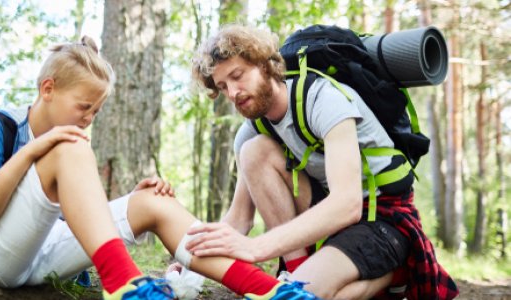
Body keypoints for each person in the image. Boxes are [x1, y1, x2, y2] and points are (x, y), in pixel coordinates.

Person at [0, 36, 320, 300]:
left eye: (96, 111)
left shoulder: (66, 143)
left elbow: (61, 223)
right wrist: (35, 151)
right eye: (84, 107)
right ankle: (123, 286)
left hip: (40, 255)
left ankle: (267, 289)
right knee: (68, 149)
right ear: (47, 89)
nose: (88, 119)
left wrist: (129, 204)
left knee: (151, 199)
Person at [186, 24, 459, 299]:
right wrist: (192, 265)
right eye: (223, 86)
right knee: (253, 151)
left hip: (382, 219)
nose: (232, 92)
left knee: (305, 296)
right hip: (329, 219)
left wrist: (258, 248)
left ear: (264, 65)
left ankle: (394, 272)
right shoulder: (252, 130)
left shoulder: (323, 99)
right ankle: (299, 272)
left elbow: (347, 205)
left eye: (237, 76)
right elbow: (239, 219)